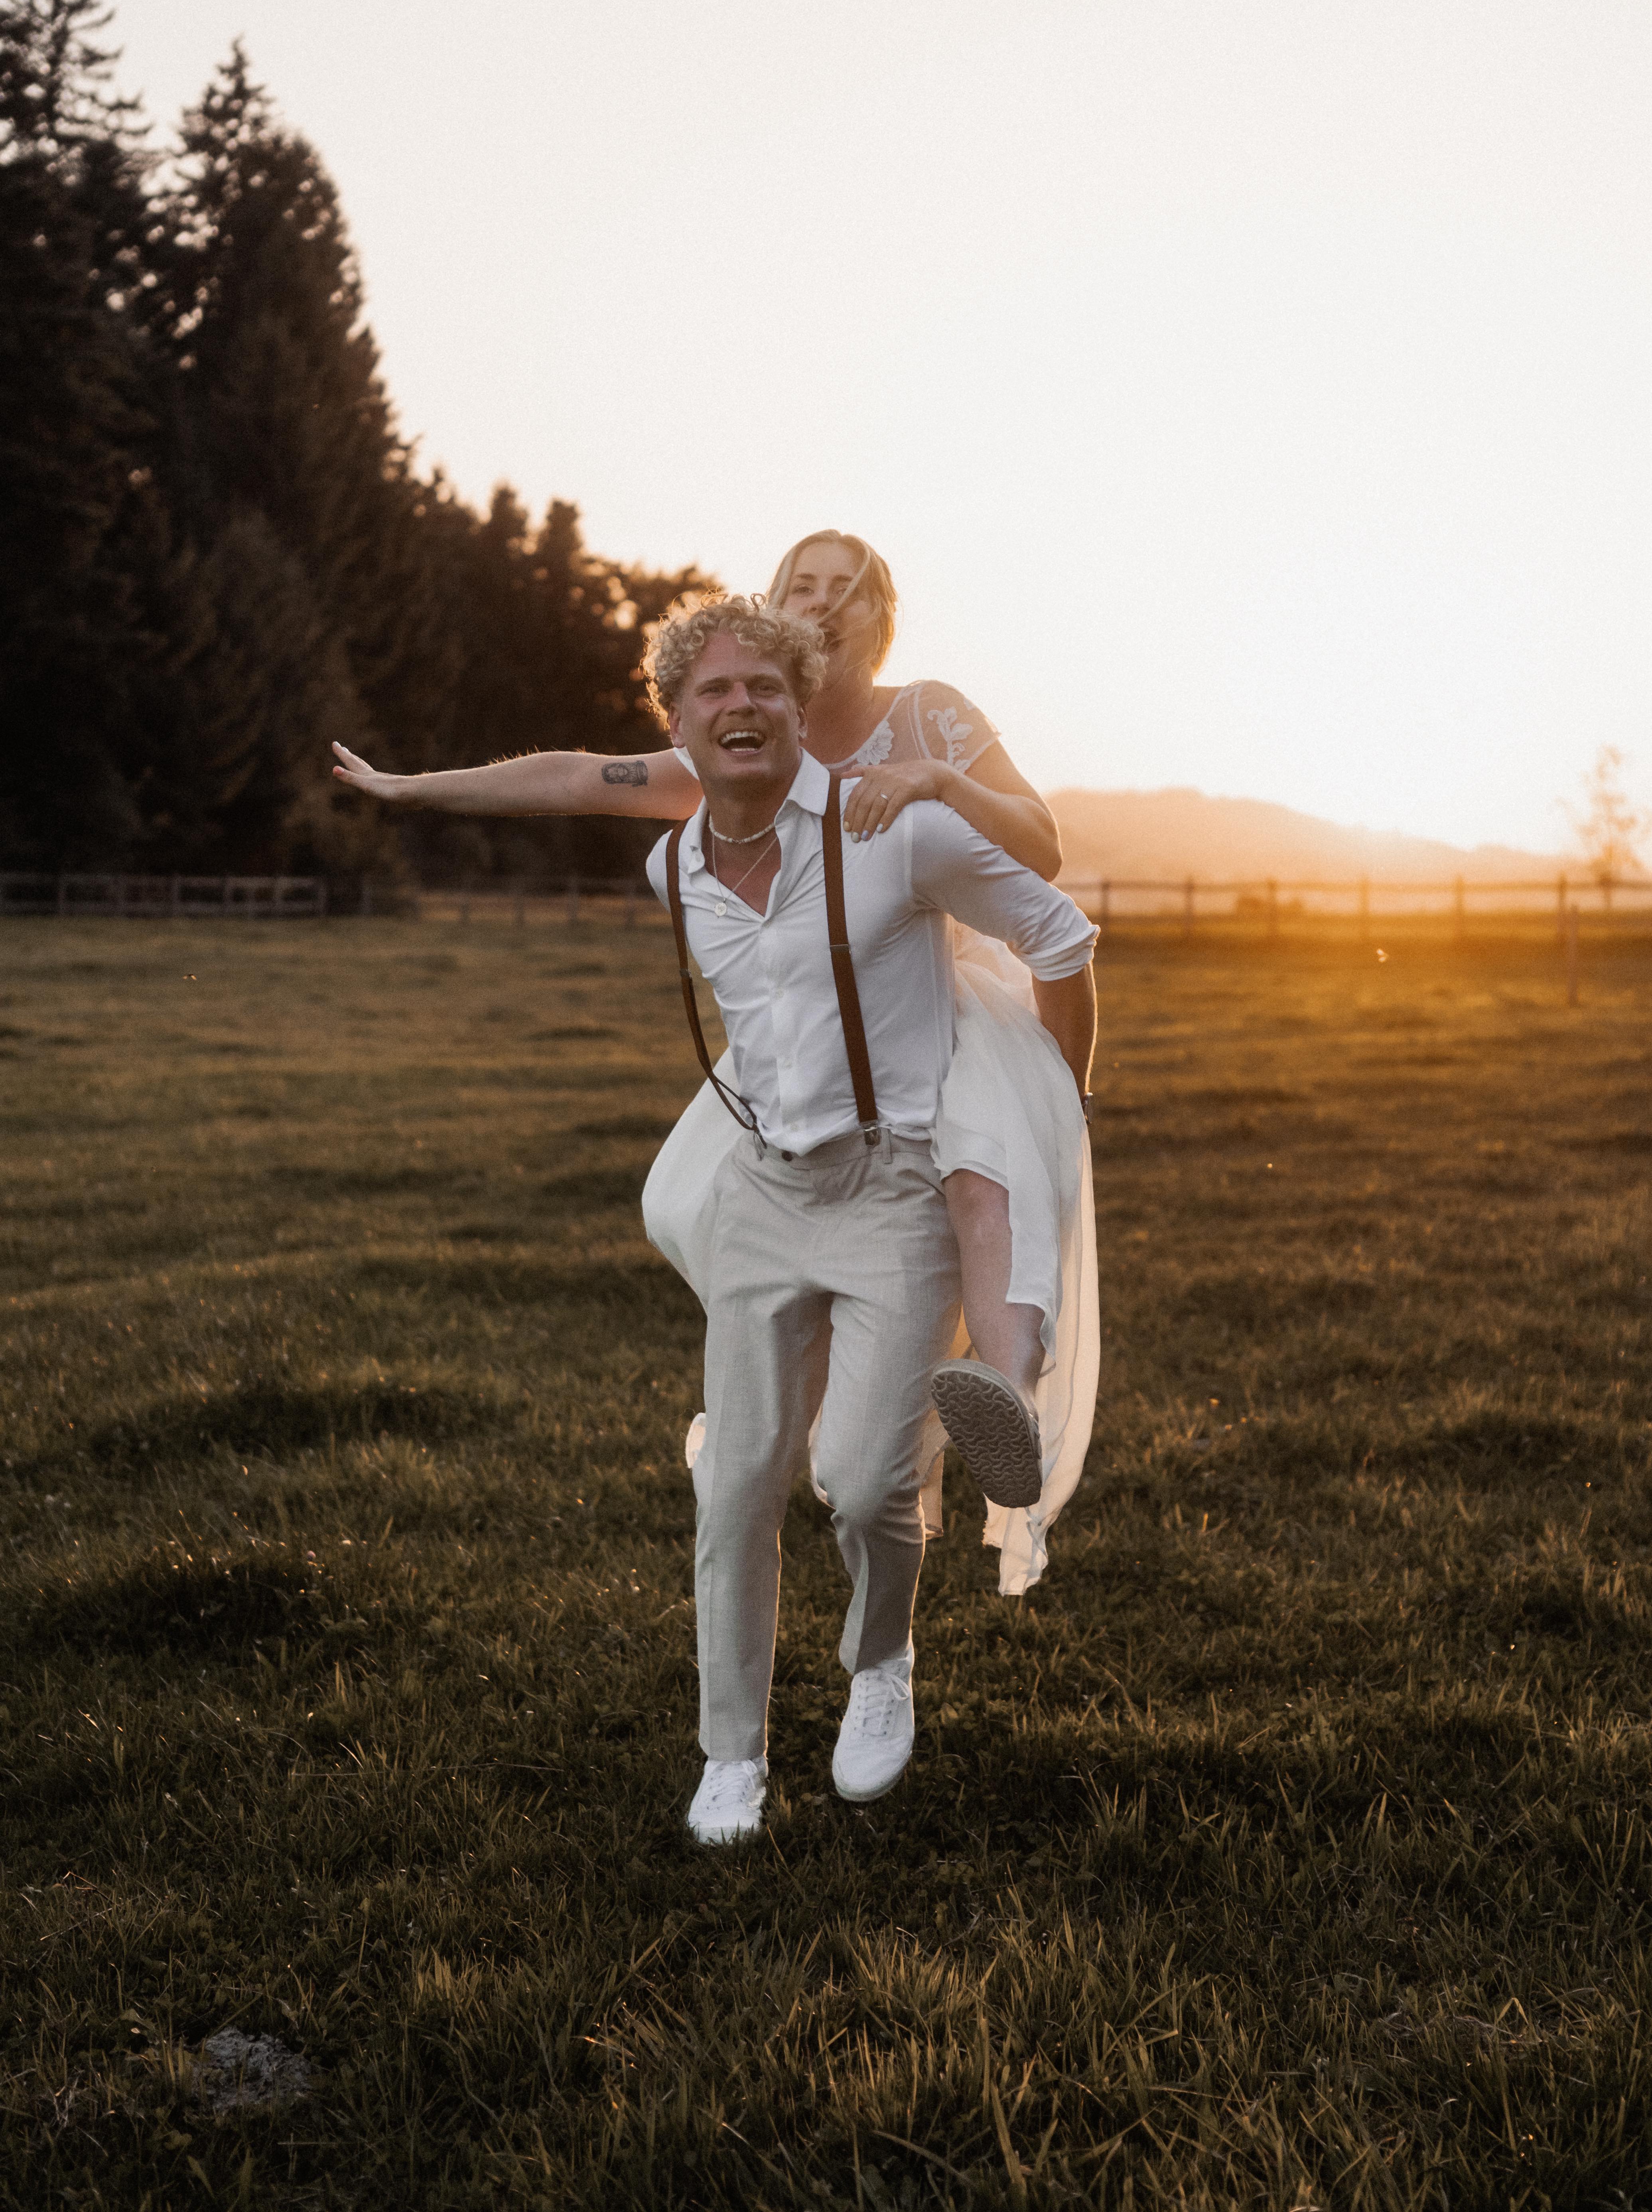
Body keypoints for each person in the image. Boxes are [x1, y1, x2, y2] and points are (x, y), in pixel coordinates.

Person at [331, 530, 1098, 1589]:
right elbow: (577, 778)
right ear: (775, 610)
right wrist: (415, 789)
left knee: (983, 1181)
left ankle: (1005, 1405)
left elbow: (1042, 846)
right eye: (803, 586)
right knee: (743, 1233)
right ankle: (805, 1424)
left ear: (880, 618)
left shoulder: (931, 711)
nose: (825, 601)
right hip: (809, 1046)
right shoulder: (742, 735)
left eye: (847, 589)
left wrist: (935, 782)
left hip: (943, 1004)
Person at [635, 594, 1095, 1839]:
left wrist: (1061, 1104)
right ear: (679, 727)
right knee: (736, 1486)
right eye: (715, 694)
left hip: (892, 1195)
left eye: (766, 691)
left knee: (856, 1481)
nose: (742, 709)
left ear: (802, 713)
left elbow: (1058, 931)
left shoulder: (893, 831)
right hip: (763, 1198)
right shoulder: (671, 865)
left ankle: (881, 1663)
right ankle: (732, 1755)